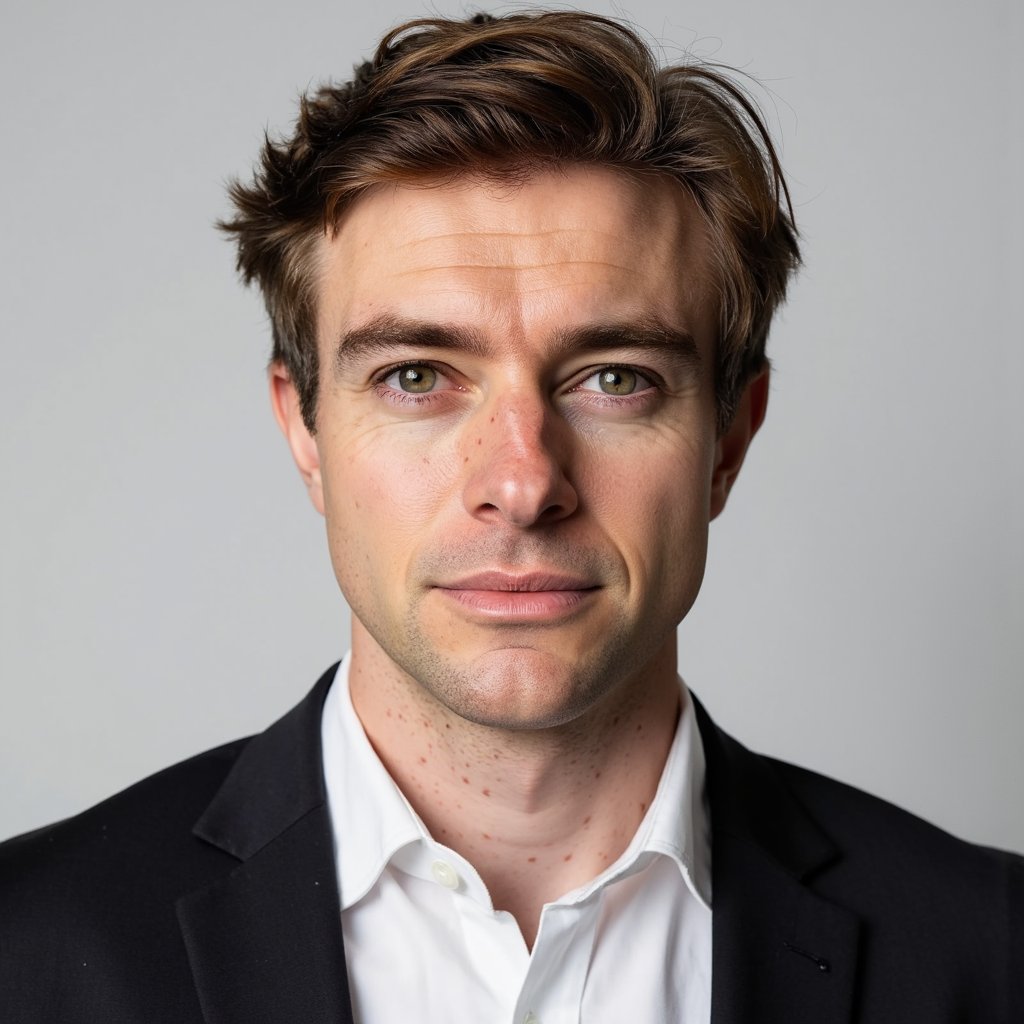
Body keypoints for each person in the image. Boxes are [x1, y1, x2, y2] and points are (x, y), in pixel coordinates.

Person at [0, 10, 1019, 1022]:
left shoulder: (991, 954)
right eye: (416, 376)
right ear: (304, 430)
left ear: (728, 438)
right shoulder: (27, 948)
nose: (524, 484)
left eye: (615, 378)